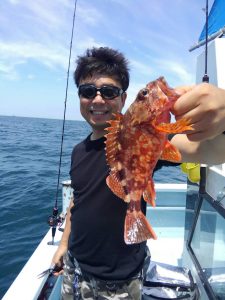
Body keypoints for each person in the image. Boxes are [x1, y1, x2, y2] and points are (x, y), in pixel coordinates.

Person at [52, 46, 225, 300]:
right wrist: (64, 246)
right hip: (74, 271)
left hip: (121, 282)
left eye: (109, 92)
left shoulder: (145, 139)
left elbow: (213, 152)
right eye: (88, 92)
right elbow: (77, 201)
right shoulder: (78, 151)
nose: (98, 100)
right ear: (80, 98)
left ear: (123, 100)